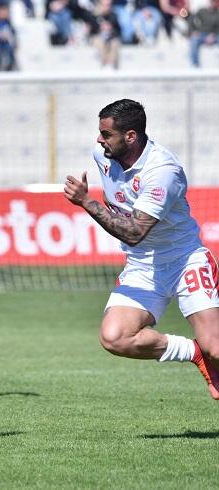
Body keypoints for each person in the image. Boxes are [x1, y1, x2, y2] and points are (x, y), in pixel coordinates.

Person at [63, 99, 219, 401]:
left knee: (216, 347)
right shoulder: (102, 155)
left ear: (131, 136)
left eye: (106, 134)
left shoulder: (163, 170)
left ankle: (206, 350)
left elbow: (134, 232)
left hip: (184, 259)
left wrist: (86, 201)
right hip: (143, 265)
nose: (99, 140)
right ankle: (193, 352)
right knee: (114, 337)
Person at [188, 0, 219, 68]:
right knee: (194, 40)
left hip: (215, 35)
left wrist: (213, 35)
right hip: (201, 34)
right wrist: (194, 31)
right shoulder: (202, 11)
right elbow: (191, 19)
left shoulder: (217, 13)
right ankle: (195, 66)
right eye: (212, 1)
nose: (213, 3)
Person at [0, 3, 18, 71]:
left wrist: (9, 37)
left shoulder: (9, 23)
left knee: (10, 51)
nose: (4, 13)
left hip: (7, 44)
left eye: (5, 12)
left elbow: (13, 34)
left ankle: (10, 68)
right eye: (1, 12)